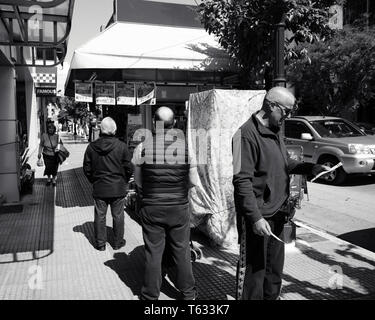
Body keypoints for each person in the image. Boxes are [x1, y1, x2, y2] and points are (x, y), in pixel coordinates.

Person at [232, 87, 329, 300]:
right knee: (253, 273)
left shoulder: (276, 130)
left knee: (274, 272)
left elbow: (285, 162)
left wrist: (310, 168)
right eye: (286, 111)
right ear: (271, 105)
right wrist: (255, 218)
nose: (288, 116)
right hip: (257, 217)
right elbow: (241, 181)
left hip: (278, 213)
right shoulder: (242, 136)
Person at [132, 106, 197, 300]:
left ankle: (150, 295)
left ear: (154, 123)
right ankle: (188, 293)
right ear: (174, 123)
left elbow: (138, 181)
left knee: (153, 252)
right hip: (178, 207)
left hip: (152, 206)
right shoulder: (186, 147)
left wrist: (150, 192)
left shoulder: (142, 147)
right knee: (182, 250)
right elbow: (193, 181)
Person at [83, 117, 133, 251]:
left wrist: (94, 180)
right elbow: (129, 168)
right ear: (115, 130)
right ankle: (117, 243)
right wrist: (124, 180)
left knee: (100, 215)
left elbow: (86, 168)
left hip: (100, 187)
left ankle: (100, 244)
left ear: (100, 130)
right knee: (118, 215)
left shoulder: (91, 147)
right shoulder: (122, 146)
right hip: (117, 187)